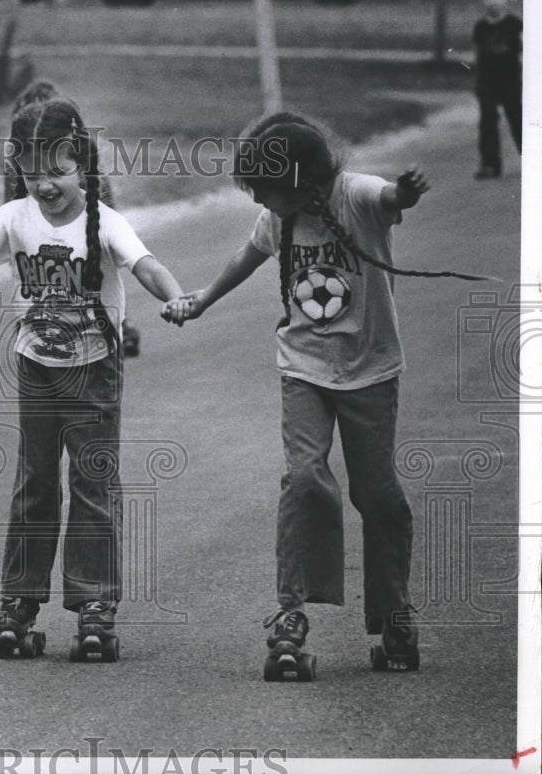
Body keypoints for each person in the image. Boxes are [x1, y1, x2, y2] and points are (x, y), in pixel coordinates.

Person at [162, 112, 433, 675]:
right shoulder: (278, 218)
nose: (259, 200)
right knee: (305, 478)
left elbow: (386, 198)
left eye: (264, 189)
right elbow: (246, 258)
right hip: (304, 366)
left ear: (303, 180)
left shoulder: (351, 196)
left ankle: (395, 614)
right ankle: (291, 612)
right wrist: (201, 300)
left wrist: (403, 191)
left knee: (378, 495)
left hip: (371, 369)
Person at [0, 97, 184, 660]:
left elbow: (146, 265)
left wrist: (177, 296)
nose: (45, 183)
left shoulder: (106, 222)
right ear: (18, 167)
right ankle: (19, 600)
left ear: (82, 164)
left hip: (94, 372)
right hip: (36, 368)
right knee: (35, 482)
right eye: (33, 170)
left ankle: (94, 604)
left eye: (58, 170)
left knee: (92, 484)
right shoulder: (13, 218)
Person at [2, 79, 142, 358]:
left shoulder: (80, 157)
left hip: (85, 228)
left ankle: (115, 322)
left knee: (91, 269)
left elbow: (104, 201)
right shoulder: (18, 163)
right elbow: (11, 208)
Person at [471, 0, 522, 179]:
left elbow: (527, 50)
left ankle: (532, 158)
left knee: (517, 120)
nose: (492, 3)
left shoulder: (515, 24)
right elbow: (477, 55)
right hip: (487, 82)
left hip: (510, 81)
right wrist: (477, 82)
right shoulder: (481, 27)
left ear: (504, 2)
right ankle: (490, 164)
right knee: (487, 121)